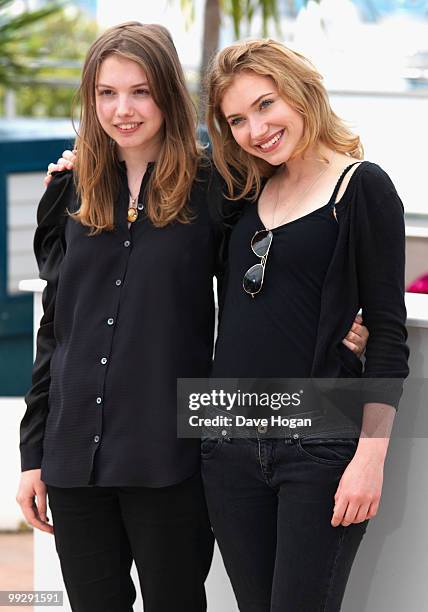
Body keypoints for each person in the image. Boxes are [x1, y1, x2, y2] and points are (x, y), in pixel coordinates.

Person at [29, 26, 369, 612]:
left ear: (168, 94)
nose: (123, 109)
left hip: (173, 456)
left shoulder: (218, 190)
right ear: (89, 100)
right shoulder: (68, 191)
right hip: (71, 460)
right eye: (106, 93)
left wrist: (343, 314)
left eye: (140, 91)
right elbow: (54, 328)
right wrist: (32, 454)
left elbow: (282, 258)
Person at [198, 39, 409, 612]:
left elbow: (388, 333)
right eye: (236, 119)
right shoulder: (240, 191)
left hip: (318, 446)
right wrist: (71, 171)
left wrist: (370, 458)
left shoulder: (362, 188)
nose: (255, 129)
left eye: (266, 105)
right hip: (228, 440)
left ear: (301, 93)